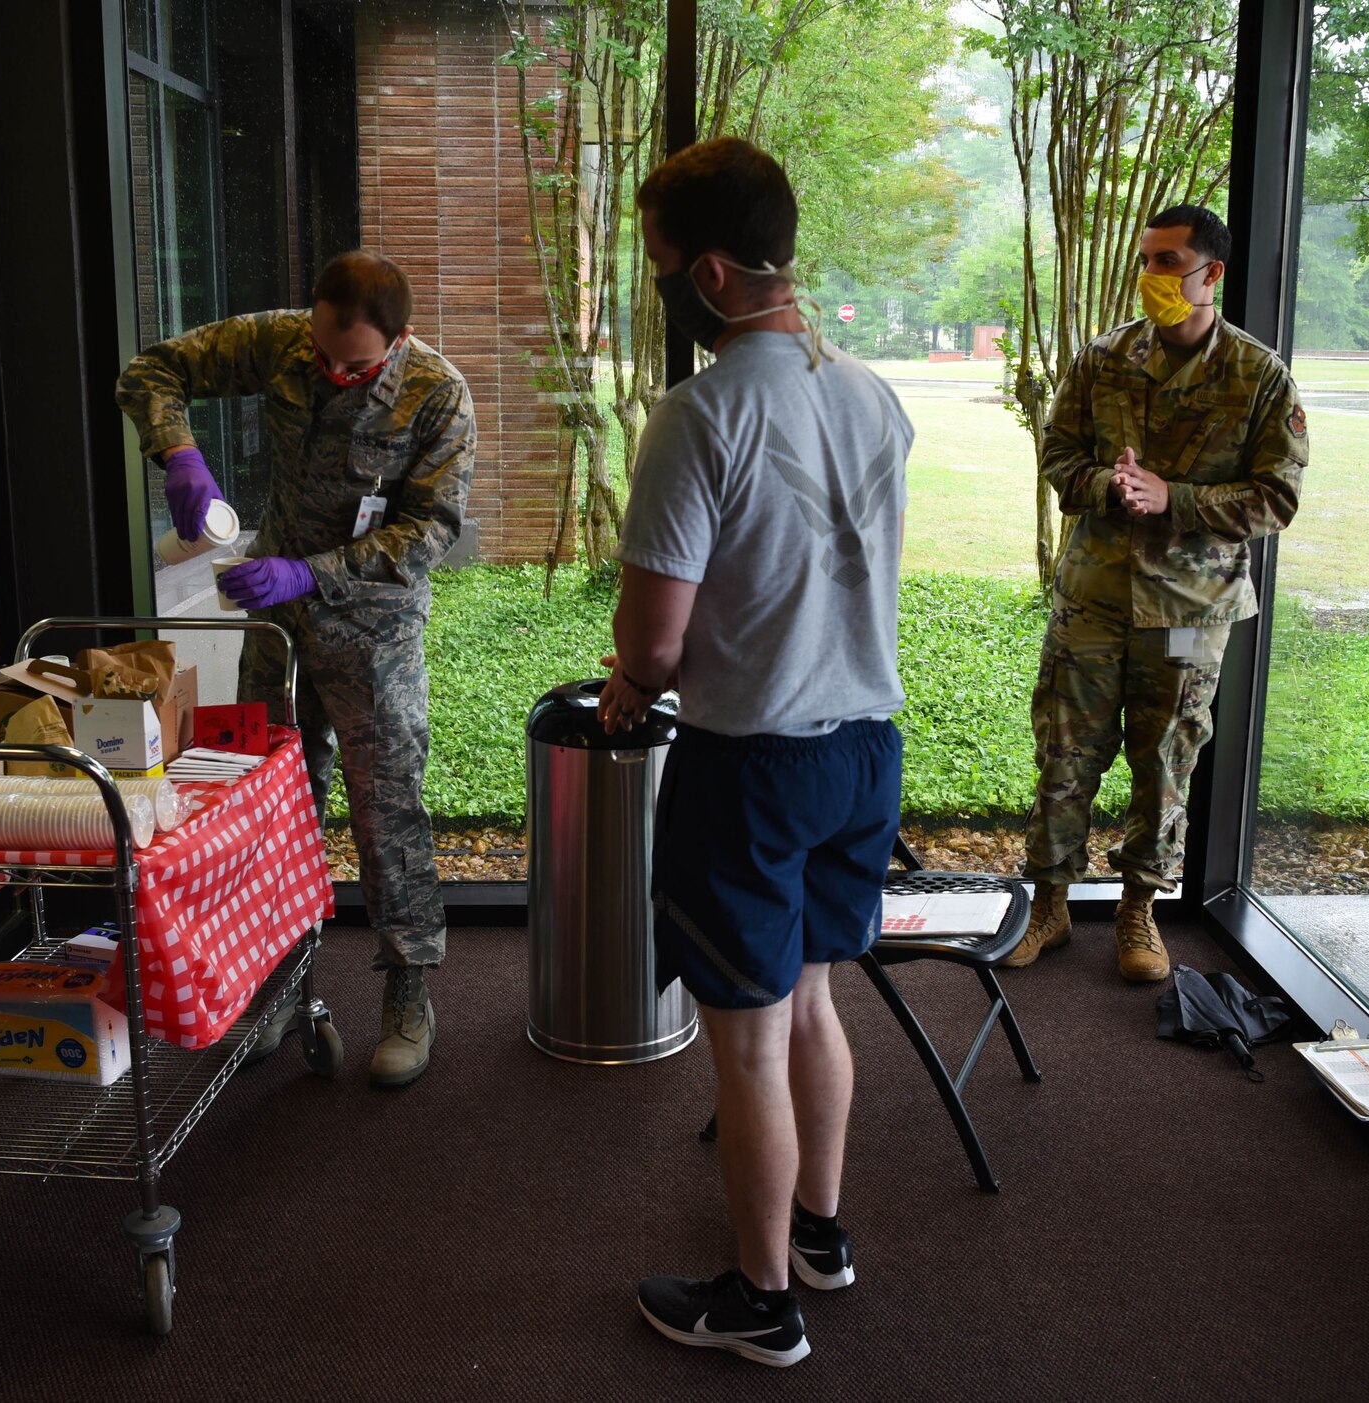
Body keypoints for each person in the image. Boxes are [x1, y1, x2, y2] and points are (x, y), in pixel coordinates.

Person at [599, 137, 912, 1369]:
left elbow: (657, 640)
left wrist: (629, 684)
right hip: (862, 750)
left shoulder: (699, 413)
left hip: (751, 767)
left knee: (744, 1038)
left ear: (715, 274)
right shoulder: (871, 393)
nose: (659, 283)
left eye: (663, 264)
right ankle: (820, 1234)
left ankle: (759, 1298)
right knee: (813, 1000)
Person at [115, 250, 475, 1087]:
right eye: (322, 352)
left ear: (399, 339)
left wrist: (316, 571)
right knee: (271, 800)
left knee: (385, 807)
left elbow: (431, 530)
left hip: (370, 628)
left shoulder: (438, 394)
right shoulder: (284, 343)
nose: (332, 370)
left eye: (354, 363)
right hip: (273, 624)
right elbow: (152, 369)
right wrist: (178, 453)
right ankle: (281, 984)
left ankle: (407, 995)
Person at [1004, 205, 1307, 982]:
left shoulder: (1259, 376)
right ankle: (1050, 901)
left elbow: (1274, 498)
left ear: (1213, 274)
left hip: (1188, 613)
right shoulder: (1103, 358)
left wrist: (1176, 497)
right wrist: (1111, 485)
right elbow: (1060, 455)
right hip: (1095, 600)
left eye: (1170, 261)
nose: (1153, 276)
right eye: (1147, 260)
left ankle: (1139, 908)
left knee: (1166, 756)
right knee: (1065, 752)